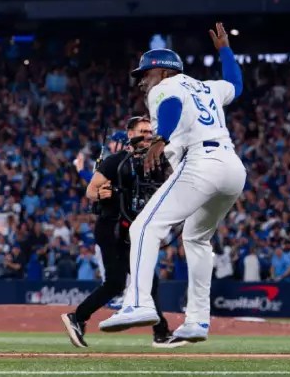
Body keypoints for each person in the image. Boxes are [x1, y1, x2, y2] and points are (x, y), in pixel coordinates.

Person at [100, 22, 246, 349]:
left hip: (200, 164)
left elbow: (170, 107)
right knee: (196, 239)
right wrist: (225, 50)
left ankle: (138, 303)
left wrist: (160, 138)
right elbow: (236, 84)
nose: (141, 82)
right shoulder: (207, 87)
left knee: (143, 229)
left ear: (163, 72)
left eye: (145, 74)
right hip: (232, 169)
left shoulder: (164, 88)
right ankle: (196, 321)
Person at [61, 117, 170, 349]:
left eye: (150, 130)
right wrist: (103, 194)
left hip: (130, 229)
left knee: (147, 279)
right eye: (143, 130)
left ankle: (161, 332)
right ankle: (77, 317)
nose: (148, 135)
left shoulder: (152, 162)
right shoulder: (115, 161)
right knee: (116, 283)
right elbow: (91, 191)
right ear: (130, 134)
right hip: (111, 226)